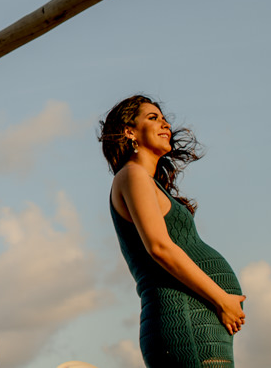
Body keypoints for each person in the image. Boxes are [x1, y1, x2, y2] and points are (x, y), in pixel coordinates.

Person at [99, 95, 246, 367]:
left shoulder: (147, 182)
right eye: (153, 118)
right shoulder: (132, 175)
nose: (165, 124)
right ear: (129, 131)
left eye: (165, 119)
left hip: (199, 318)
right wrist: (222, 299)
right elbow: (159, 247)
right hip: (185, 319)